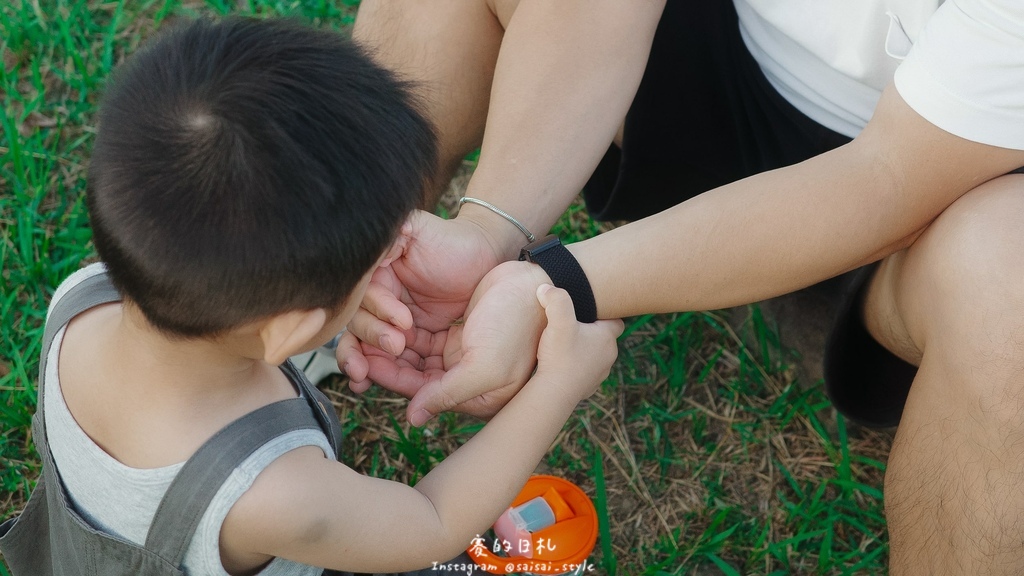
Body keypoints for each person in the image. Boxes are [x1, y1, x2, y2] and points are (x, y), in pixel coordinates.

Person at [339, 0, 1024, 572]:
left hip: (945, 187)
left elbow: (888, 179)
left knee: (1008, 271)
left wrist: (555, 285)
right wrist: (489, 231)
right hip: (731, 58)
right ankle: (322, 287)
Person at [0, 18, 624, 575]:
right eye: (378, 258)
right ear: (291, 331)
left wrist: (335, 299)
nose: (398, 246)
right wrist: (557, 384)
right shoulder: (274, 492)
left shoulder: (83, 300)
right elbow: (432, 522)